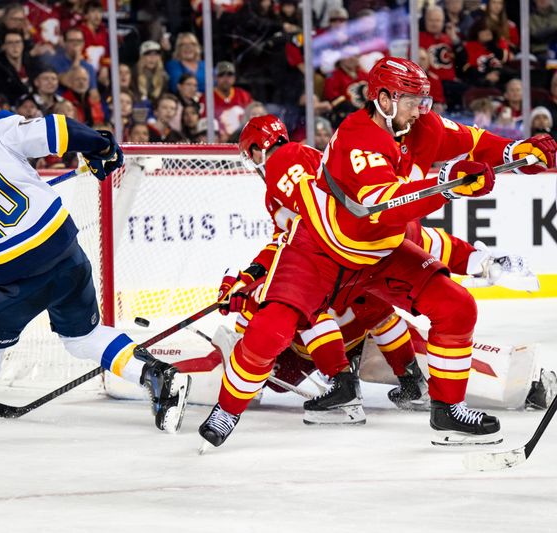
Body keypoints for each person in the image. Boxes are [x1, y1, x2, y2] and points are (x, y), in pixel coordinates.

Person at [199, 57, 557, 449]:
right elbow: (381, 206)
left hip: (377, 254)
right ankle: (227, 409)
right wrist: (447, 185)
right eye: (411, 100)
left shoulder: (424, 126)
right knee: (271, 330)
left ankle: (447, 411)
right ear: (384, 99)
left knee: (456, 306)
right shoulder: (357, 135)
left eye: (425, 100)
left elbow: (473, 141)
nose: (422, 109)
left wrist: (517, 154)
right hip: (318, 251)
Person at [0, 92, 191, 431]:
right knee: (83, 337)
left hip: (15, 280)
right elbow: (58, 130)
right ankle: (157, 376)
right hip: (65, 252)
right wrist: (99, 145)